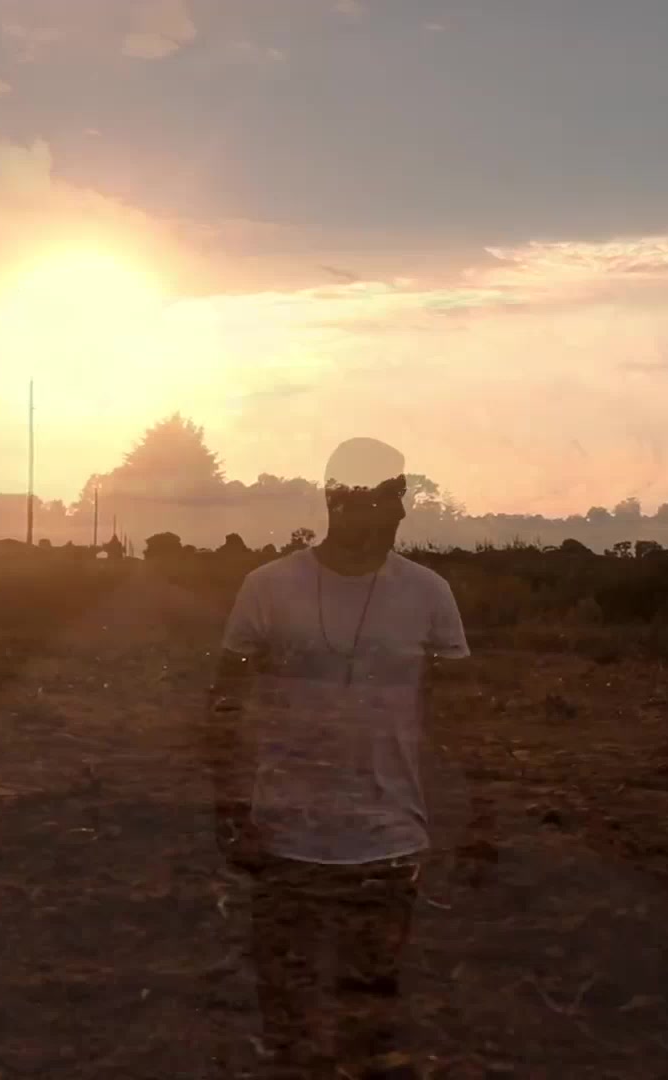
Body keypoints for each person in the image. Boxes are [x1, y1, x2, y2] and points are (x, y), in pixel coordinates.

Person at [205, 438, 496, 1079]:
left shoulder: (428, 593)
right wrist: (229, 811)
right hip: (284, 839)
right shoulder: (267, 587)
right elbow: (224, 707)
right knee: (287, 1021)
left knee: (371, 1017)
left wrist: (479, 819)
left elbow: (461, 719)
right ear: (341, 500)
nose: (399, 513)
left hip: (387, 842)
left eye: (399, 498)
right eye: (388, 498)